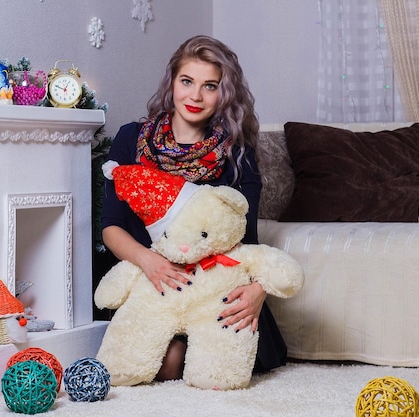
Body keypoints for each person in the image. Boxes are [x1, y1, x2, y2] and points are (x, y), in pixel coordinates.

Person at [100, 35, 287, 381]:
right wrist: (148, 261)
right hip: (152, 286)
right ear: (172, 82)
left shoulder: (236, 154)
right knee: (163, 362)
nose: (196, 96)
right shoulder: (130, 140)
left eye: (210, 86)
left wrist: (258, 291)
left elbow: (247, 241)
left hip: (213, 291)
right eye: (187, 81)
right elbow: (111, 226)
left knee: (206, 365)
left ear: (224, 94)